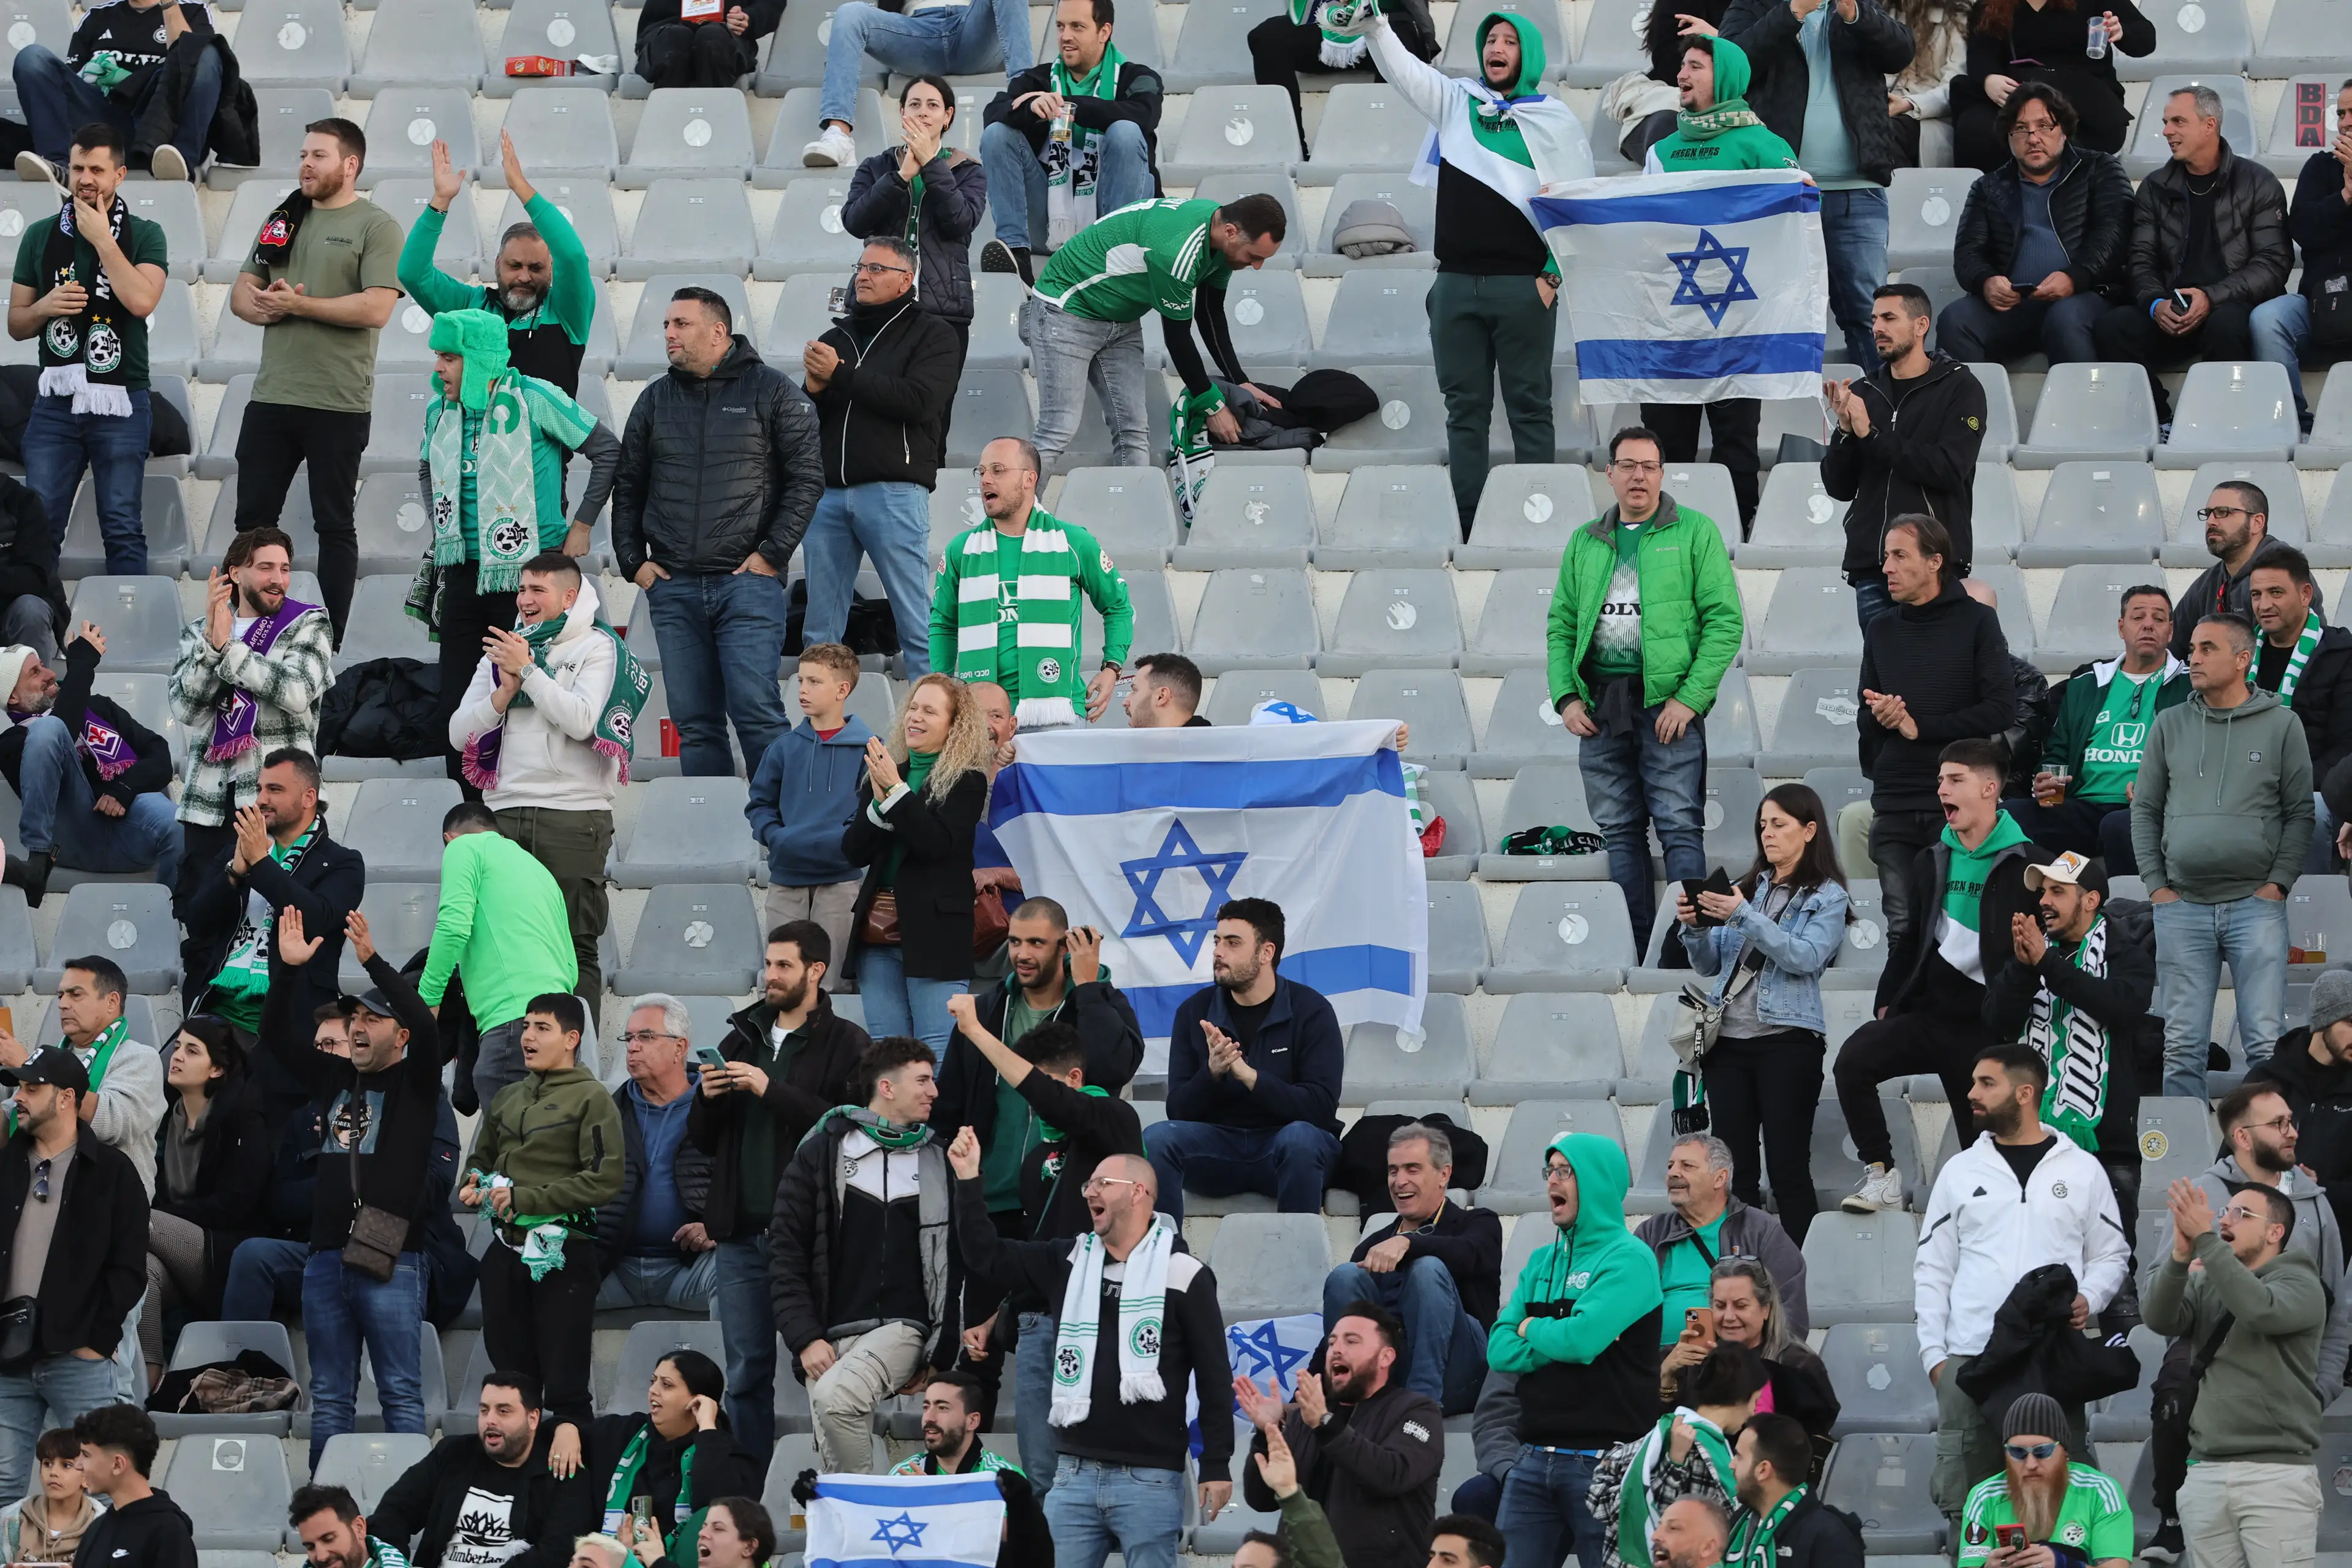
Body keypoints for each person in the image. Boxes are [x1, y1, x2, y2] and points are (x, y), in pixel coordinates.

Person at [945, 1134, 1235, 1568]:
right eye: (1088, 1185)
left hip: (1150, 1477)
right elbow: (985, 1256)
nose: (1089, 1192)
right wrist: (969, 1180)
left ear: (1138, 1193)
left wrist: (1216, 1464)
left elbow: (1214, 1378)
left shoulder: (1185, 1274)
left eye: (1103, 1183)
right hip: (1073, 1475)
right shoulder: (1068, 1261)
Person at [1367, 6, 1582, 537]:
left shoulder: (1556, 120)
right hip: (1456, 286)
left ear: (1528, 54)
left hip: (1524, 290)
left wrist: (1550, 279)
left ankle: (1538, 525)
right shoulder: (1457, 102)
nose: (1496, 49)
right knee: (1464, 414)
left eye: (1509, 41)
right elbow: (1404, 71)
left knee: (1530, 409)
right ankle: (1470, 527)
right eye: (1490, 40)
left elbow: (1577, 206)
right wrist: (1376, 27)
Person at [264, 905, 450, 1471]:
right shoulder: (334, 1077)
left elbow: (429, 1026)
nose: (359, 1027)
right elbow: (274, 1037)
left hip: (393, 1257)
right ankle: (324, 1505)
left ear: (401, 1035)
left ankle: (405, 1506)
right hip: (325, 1257)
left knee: (400, 1392)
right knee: (330, 1399)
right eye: (355, 1020)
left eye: (373, 1019)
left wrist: (372, 961)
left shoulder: (417, 1083)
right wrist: (288, 970)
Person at [1915, 1046, 2130, 1518]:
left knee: (2057, 1505)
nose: (1972, 1093)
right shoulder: (1959, 1171)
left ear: (2025, 1093)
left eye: (1986, 1083)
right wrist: (1935, 1357)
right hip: (1971, 1356)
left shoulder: (2082, 1169)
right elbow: (1932, 1266)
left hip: (2051, 1356)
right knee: (1968, 1508)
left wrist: (2090, 1296)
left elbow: (2112, 1253)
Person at [1547, 425, 1743, 944]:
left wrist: (1689, 699)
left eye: (1650, 467)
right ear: (1609, 473)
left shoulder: (1696, 531)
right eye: (1629, 466)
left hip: (1668, 705)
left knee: (1679, 826)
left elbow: (1725, 623)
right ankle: (1636, 948)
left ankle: (1689, 951)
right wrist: (1566, 698)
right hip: (1600, 704)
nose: (1639, 476)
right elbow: (1561, 625)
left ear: (1662, 474)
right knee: (1620, 831)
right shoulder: (1584, 540)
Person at [612, 286, 818, 778]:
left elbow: (807, 480)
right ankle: (711, 818)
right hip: (673, 588)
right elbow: (629, 484)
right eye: (666, 324)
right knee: (695, 723)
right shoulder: (654, 399)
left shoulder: (773, 390)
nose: (669, 333)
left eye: (681, 324)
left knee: (757, 713)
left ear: (718, 331)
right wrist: (633, 562)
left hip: (746, 585)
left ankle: (780, 822)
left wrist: (772, 554)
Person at [939, 1002, 1144, 1490]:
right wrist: (1001, 1315)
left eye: (1039, 1086)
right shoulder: (1037, 1159)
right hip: (1037, 1324)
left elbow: (1056, 1103)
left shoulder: (1115, 1123)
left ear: (1074, 1079)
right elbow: (1038, 1248)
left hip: (1101, 1316)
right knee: (1041, 1475)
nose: (1032, 1103)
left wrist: (976, 1033)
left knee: (1106, 1469)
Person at [422, 315, 627, 799]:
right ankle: (471, 817)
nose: (438, 369)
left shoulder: (536, 396)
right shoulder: (438, 410)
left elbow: (608, 450)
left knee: (525, 701)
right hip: (462, 575)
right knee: (460, 702)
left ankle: (522, 809)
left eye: (449, 358)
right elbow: (427, 470)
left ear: (478, 361)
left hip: (530, 579)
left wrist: (582, 524)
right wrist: (444, 529)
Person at [686, 921, 869, 1459]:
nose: (771, 975)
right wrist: (709, 1098)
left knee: (827, 1372)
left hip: (814, 1238)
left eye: (784, 965)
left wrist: (771, 1090)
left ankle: (829, 1484)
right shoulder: (740, 1037)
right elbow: (701, 1140)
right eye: (768, 964)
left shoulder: (848, 1042)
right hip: (741, 1237)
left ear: (816, 970)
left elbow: (850, 1129)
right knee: (745, 1374)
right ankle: (748, 1489)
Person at [1835, 741, 2041, 1211]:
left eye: (1955, 779)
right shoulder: (1931, 857)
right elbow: (1912, 935)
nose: (1942, 789)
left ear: (1989, 788)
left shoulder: (2031, 863)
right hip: (1929, 1015)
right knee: (1853, 1061)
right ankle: (1881, 1175)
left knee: (1987, 1160)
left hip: (1986, 1032)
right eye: (1941, 780)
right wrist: (1889, 997)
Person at [226, 118, 403, 642]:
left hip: (338, 403)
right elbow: (240, 296)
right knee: (251, 525)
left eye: (318, 156)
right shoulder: (283, 217)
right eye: (303, 155)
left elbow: (376, 308)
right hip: (272, 397)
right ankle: (244, 634)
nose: (306, 164)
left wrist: (298, 305)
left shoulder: (377, 226)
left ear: (350, 165)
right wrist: (266, 307)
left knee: (333, 524)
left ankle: (329, 643)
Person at [447, 552, 642, 998]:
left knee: (575, 946)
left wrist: (530, 672)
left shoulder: (598, 646)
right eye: (522, 589)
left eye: (538, 590)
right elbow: (459, 734)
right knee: (504, 947)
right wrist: (502, 695)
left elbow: (584, 722)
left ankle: (578, 1044)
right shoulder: (503, 650)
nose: (525, 599)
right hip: (503, 815)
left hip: (572, 817)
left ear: (569, 597)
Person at [2132, 612, 2310, 1097]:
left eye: (2207, 648)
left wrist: (2278, 885)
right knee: (2181, 1047)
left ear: (2242, 659)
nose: (2193, 658)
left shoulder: (2282, 724)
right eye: (2192, 648)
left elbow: (2300, 813)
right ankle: (2184, 1147)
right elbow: (2145, 810)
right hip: (2181, 906)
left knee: (2266, 1045)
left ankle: (2269, 1144)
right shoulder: (2169, 723)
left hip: (2257, 907)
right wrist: (2157, 887)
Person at [769, 1035, 957, 1474]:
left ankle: (874, 1501)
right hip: (828, 1337)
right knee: (834, 1466)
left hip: (903, 1328)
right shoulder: (821, 1152)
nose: (934, 1092)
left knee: (835, 1399)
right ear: (886, 1088)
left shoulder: (941, 1160)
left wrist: (939, 1354)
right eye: (923, 1081)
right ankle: (862, 1515)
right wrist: (805, 1338)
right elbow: (785, 1253)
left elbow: (960, 1264)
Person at [1673, 785, 1850, 1243]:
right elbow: (1710, 964)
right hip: (1728, 1045)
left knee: (1788, 1169)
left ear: (1809, 830)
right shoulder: (1747, 887)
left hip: (1788, 1043)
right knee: (1736, 1174)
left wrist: (1743, 915)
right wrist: (1695, 928)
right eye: (1762, 825)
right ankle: (1741, 1268)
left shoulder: (1828, 896)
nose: (1766, 833)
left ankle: (1797, 1272)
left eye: (1778, 824)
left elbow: (1806, 957)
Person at [1638, 36, 1796, 530]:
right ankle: (1664, 536)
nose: (1682, 75)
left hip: (1737, 322)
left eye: (1696, 67)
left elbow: (1792, 227)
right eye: (1682, 66)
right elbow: (1640, 230)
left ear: (1724, 77)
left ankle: (1738, 530)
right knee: (1666, 445)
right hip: (1672, 324)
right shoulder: (1662, 151)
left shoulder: (1764, 147)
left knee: (1735, 442)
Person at [1490, 1132, 1665, 1568]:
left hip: (1608, 1462)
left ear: (1596, 1181)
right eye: (1550, 1171)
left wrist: (1531, 1328)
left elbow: (1581, 1341)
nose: (1552, 1181)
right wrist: (1563, 1339)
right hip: (1533, 1458)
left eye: (1565, 1171)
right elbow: (1499, 1349)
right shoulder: (1540, 1263)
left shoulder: (1630, 1260)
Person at [1020, 197, 1287, 477]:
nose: (1258, 266)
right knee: (1058, 429)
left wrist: (1240, 381)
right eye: (1254, 256)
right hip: (1065, 310)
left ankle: (1133, 505)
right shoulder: (1177, 251)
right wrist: (1213, 406)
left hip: (1120, 319)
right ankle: (1016, 506)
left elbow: (1210, 314)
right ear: (1231, 232)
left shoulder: (1220, 236)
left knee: (1133, 430)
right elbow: (1178, 340)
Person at [1714, 0, 1914, 366]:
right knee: (1774, 314)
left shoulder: (1859, 5)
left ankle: (1884, 403)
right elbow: (1730, 66)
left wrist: (1856, 14)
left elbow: (1900, 52)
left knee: (1872, 317)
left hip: (1858, 190)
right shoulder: (1754, 4)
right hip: (1780, 193)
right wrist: (1793, 12)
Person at [6, 123, 165, 577]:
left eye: (97, 169)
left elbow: (141, 301)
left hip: (122, 401)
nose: (85, 179)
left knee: (122, 527)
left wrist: (102, 240)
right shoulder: (40, 234)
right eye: (78, 168)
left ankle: (130, 621)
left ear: (120, 175)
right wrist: (44, 307)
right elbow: (16, 324)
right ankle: (36, 619)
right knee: (39, 528)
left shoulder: (146, 234)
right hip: (55, 403)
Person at [462, 992, 622, 1436]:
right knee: (512, 1389)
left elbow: (605, 1180)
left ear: (572, 1039)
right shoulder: (508, 1097)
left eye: (542, 1028)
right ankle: (521, 1473)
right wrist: (474, 1182)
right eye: (527, 1026)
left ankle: (574, 1473)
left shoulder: (593, 1098)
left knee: (567, 1392)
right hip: (503, 1254)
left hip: (563, 1255)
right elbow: (481, 1157)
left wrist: (527, 1199)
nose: (527, 1037)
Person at [2143, 1178, 2325, 1568]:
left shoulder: (2301, 1281)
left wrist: (2206, 1242)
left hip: (2275, 1474)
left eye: (2241, 1214)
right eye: (2225, 1212)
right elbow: (2158, 1318)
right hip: (2205, 1470)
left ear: (2275, 1232)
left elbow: (2260, 1309)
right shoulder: (2208, 1279)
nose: (2224, 1220)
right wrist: (2179, 1257)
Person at [799, 236, 961, 676]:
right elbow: (809, 421)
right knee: (820, 631)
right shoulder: (836, 337)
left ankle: (939, 716)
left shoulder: (934, 333)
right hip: (828, 494)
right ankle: (820, 716)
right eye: (861, 267)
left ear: (906, 280)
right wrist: (813, 391)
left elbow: (920, 401)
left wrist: (841, 375)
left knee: (917, 624)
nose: (863, 276)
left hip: (894, 491)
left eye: (876, 269)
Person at [1854, 515, 2016, 951]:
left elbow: (2001, 709)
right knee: (1902, 929)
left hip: (1958, 802)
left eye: (1899, 556)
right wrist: (1884, 717)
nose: (1886, 567)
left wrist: (1919, 727)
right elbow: (1864, 718)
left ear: (1934, 562)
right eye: (1885, 556)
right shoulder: (1881, 629)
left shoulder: (1978, 621)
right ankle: (1899, 998)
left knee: (1956, 932)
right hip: (1895, 801)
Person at [2090, 85, 2290, 429]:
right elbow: (2140, 259)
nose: (2167, 131)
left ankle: (2216, 424)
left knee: (2227, 326)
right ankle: (2156, 421)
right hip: (2173, 307)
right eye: (2166, 122)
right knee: (2113, 327)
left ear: (2209, 125)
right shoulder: (2155, 187)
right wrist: (2156, 303)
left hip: (2229, 304)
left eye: (2178, 122)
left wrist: (2211, 297)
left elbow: (2273, 264)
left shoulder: (2258, 182)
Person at [165, 529, 334, 921]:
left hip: (279, 799)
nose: (278, 579)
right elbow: (187, 710)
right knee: (204, 922)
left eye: (285, 569)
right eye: (265, 568)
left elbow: (295, 691)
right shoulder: (199, 630)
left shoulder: (308, 624)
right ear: (236, 573)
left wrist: (230, 649)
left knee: (280, 919)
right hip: (210, 801)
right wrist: (211, 647)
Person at [0, 1049, 145, 1503]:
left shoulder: (114, 1172)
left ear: (66, 1098)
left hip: (79, 1357)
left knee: (99, 1488)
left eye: (31, 1088)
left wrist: (97, 1341)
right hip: (6, 1358)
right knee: (2, 1488)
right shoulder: (4, 1165)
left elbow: (129, 1268)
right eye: (18, 1088)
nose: (18, 1098)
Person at [1981, 851, 2150, 1234]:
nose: (2044, 901)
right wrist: (2026, 970)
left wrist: (2047, 965)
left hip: (2106, 1148)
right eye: (2043, 892)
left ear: (2090, 900)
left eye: (2058, 892)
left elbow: (2120, 1006)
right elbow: (1996, 1022)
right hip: (2028, 1141)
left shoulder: (2126, 953)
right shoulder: (2030, 955)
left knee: (2112, 1261)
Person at [1148, 899, 1343, 1223]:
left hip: (1289, 1150)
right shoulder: (1194, 1013)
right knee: (1157, 1139)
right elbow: (1178, 1111)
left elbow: (1320, 1108)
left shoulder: (1312, 1011)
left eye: (1233, 943)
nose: (1218, 952)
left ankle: (1297, 1250)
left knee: (1301, 1138)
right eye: (1217, 941)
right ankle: (1166, 1251)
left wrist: (1252, 1078)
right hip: (1218, 1149)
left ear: (1266, 952)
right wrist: (1212, 1074)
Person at [932, 437, 1131, 727]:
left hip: (1057, 715)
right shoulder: (960, 550)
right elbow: (943, 623)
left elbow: (1118, 606)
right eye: (982, 471)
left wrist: (1112, 668)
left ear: (1029, 479)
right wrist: (943, 685)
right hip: (980, 718)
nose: (985, 479)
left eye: (998, 470)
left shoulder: (1073, 542)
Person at [1823, 285, 1985, 632]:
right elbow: (1838, 487)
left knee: (1931, 665)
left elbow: (1948, 468)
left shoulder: (1959, 387)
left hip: (1931, 564)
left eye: (1889, 318)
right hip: (1874, 566)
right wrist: (1846, 431)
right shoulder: (1864, 392)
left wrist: (1872, 436)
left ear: (1921, 325)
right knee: (1881, 667)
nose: (1877, 328)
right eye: (1874, 319)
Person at [842, 674, 989, 1050]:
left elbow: (935, 845)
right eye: (913, 708)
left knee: (937, 1052)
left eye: (929, 711)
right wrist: (879, 806)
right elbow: (854, 852)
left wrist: (895, 794)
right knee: (889, 1054)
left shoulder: (968, 781)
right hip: (877, 933)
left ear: (954, 726)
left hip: (936, 934)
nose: (915, 717)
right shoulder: (888, 771)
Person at [1237, 1304, 1446, 1568]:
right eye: (1332, 1342)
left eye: (1352, 1341)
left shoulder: (1417, 1411)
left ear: (1386, 1357)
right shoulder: (1306, 1416)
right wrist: (1268, 1432)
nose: (1336, 1349)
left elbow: (1392, 1475)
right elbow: (1262, 1500)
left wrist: (1326, 1424)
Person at [1939, 85, 2132, 366]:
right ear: (2008, 136)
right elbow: (1968, 251)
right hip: (2016, 304)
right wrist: (1986, 281)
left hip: (2088, 295)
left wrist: (2075, 277)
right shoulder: (1988, 187)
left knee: (2065, 317)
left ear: (2063, 130)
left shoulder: (2100, 169)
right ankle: (1973, 398)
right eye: (2021, 129)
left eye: (2044, 126)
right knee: (1955, 319)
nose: (2033, 138)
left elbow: (2115, 233)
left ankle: (2084, 397)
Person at [181, 745, 361, 1041]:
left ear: (309, 798)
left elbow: (315, 920)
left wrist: (260, 865)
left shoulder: (343, 863)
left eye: (275, 790)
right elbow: (198, 925)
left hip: (287, 1021)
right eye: (260, 789)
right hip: (214, 1013)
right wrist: (235, 873)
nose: (261, 800)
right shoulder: (235, 852)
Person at [1321, 1121, 1501, 1417]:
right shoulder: (1375, 1245)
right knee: (1345, 1276)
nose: (1399, 1181)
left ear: (1444, 1174)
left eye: (1412, 1169)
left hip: (1459, 1372)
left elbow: (1469, 1254)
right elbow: (1342, 1327)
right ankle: (1347, 1397)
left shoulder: (1479, 1223)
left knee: (1427, 1269)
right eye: (1393, 1171)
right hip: (1391, 1370)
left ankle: (1422, 1406)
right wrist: (1307, 1392)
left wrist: (1408, 1243)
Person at [976, 0, 1159, 286]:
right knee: (996, 134)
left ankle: (1119, 255)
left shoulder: (1138, 77)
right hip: (1049, 219)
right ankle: (1016, 256)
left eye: (1077, 27)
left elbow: (1144, 115)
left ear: (1104, 31)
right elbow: (993, 112)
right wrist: (1032, 108)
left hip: (1109, 209)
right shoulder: (1039, 79)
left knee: (1126, 131)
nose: (1065, 36)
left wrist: (1067, 105)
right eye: (1061, 26)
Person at [2000, 584, 2185, 865]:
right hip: (2083, 805)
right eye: (2138, 617)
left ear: (2170, 631)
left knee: (2118, 826)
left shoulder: (2189, 686)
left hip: (2148, 807)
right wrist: (2045, 782)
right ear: (2121, 628)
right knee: (2010, 816)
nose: (2148, 625)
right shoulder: (2086, 684)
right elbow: (2057, 753)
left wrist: (2160, 791)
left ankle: (2129, 898)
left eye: (2158, 619)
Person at [402, 134, 595, 398]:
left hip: (546, 428)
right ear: (497, 264)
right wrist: (440, 201)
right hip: (476, 427)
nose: (524, 277)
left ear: (551, 269)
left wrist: (520, 186)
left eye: (536, 268)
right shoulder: (471, 306)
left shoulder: (567, 312)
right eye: (515, 266)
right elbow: (412, 272)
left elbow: (573, 257)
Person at [419, 801, 579, 1114]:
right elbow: (571, 966)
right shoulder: (538, 869)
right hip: (560, 1024)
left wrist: (428, 999)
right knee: (552, 1135)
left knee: (512, 1138)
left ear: (449, 838)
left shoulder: (463, 847)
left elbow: (453, 927)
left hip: (513, 1021)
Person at [2195, 1082, 2352, 1396]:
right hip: (2215, 1400)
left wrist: (2322, 1390)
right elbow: (2167, 1305)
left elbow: (2334, 1311)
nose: (2292, 1133)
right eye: (2277, 1124)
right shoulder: (2201, 1198)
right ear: (2243, 1137)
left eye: (2290, 1121)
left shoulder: (2314, 1201)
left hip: (2295, 1404)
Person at [840, 77, 987, 410]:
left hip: (944, 308)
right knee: (869, 402)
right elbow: (854, 222)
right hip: (878, 304)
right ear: (902, 112)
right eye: (915, 104)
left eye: (933, 105)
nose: (923, 112)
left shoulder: (968, 170)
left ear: (948, 116)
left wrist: (932, 166)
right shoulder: (876, 166)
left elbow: (961, 222)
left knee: (934, 412)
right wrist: (901, 176)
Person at [0, 630, 179, 901]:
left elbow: (160, 755)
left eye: (44, 666)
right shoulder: (11, 743)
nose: (50, 674)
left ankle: (172, 916)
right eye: (35, 673)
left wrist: (123, 789)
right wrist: (81, 665)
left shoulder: (98, 707)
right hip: (70, 840)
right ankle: (38, 861)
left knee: (178, 823)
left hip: (130, 831)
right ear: (12, 697)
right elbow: (62, 728)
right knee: (47, 730)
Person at [138, 1016, 268, 1388]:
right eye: (178, 1047)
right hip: (171, 1250)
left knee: (136, 1220)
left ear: (217, 1070)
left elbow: (236, 1204)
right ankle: (148, 1387)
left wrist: (164, 1216)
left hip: (222, 1253)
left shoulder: (243, 1117)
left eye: (192, 1051)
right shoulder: (165, 1116)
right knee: (142, 1269)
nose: (177, 1056)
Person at [545, 1351, 762, 1561]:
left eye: (666, 1385)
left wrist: (706, 1426)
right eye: (653, 1381)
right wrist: (564, 1428)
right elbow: (545, 1435)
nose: (652, 1391)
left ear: (698, 1401)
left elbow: (716, 1507)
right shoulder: (626, 1432)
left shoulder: (728, 1456)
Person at [372, 1370, 594, 1568]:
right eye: (484, 1410)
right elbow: (393, 1513)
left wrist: (565, 1427)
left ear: (533, 1418)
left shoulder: (562, 1469)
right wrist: (394, 1562)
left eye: (503, 1411)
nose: (490, 1420)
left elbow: (557, 1554)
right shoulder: (454, 1454)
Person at [218, 998, 346, 1321]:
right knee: (251, 1254)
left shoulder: (401, 1105)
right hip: (314, 1247)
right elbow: (280, 1201)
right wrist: (333, 1178)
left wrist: (345, 1156)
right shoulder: (304, 1119)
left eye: (331, 1044)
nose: (320, 1054)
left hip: (386, 1248)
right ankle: (240, 1356)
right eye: (317, 1045)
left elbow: (425, 1189)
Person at [748, 644, 875, 967]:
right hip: (786, 879)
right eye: (801, 680)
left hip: (841, 881)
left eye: (814, 682)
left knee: (832, 978)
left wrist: (844, 844)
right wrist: (777, 837)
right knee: (782, 976)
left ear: (842, 690)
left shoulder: (870, 751)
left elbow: (870, 812)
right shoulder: (782, 748)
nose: (803, 689)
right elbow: (760, 805)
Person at [10, 0, 225, 183]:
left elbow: (190, 62)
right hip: (103, 121)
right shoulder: (98, 15)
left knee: (205, 53)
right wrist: (94, 75)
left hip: (158, 127)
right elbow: (69, 87)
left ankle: (181, 163)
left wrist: (168, 4)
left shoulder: (192, 11)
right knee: (32, 58)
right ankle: (61, 167)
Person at [1588, 1346, 1763, 1568]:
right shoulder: (1697, 1445)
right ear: (1743, 1397)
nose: (1753, 1412)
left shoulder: (1667, 1429)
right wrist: (1673, 1464)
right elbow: (1666, 1516)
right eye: (1756, 1401)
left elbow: (1601, 1495)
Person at [0, 955, 162, 1194]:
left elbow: (113, 1123)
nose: (63, 1004)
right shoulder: (51, 1057)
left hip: (110, 1203)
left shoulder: (140, 1058)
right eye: (61, 996)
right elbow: (11, 1118)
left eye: (75, 995)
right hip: (41, 1195)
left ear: (112, 1002)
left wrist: (31, 1069)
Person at [803, 0, 1029, 170]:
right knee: (850, 13)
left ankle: (1026, 106)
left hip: (972, 30)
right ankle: (839, 134)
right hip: (916, 33)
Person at [595, 997, 715, 1316]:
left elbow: (751, 1183)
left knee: (740, 1268)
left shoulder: (719, 1108)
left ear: (680, 1047)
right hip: (612, 1268)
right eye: (629, 1038)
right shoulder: (605, 1111)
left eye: (646, 1037)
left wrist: (717, 1225)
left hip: (692, 1268)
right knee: (536, 1268)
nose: (633, 1047)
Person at [1636, 1136, 1810, 1343]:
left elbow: (1791, 1314)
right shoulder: (1652, 1232)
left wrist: (1746, 1359)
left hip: (1736, 1359)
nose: (1673, 1173)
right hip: (1658, 1361)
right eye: (1670, 1166)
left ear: (1720, 1178)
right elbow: (1624, 1302)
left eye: (1687, 1166)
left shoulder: (1760, 1230)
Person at [2252, 78, 2352, 434]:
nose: (2345, 122)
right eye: (2341, 113)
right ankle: (2293, 423)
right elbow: (2303, 230)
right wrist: (2346, 196)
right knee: (2268, 319)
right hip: (2320, 302)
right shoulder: (2319, 166)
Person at [1660, 1260, 1841, 1457]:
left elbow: (1812, 1443)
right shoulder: (1698, 1356)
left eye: (1741, 1306)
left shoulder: (1797, 1364)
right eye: (1720, 1306)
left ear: (1766, 1309)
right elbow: (1665, 1426)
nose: (1729, 1316)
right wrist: (1667, 1375)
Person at [1948, 0, 2149, 167]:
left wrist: (2121, 32)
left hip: (2081, 98)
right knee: (1975, 127)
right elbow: (1980, 53)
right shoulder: (1990, 4)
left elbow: (2146, 39)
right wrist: (1989, 78)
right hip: (2018, 94)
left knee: (2074, 139)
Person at [886, 1371, 1051, 1566]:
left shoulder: (1002, 1479)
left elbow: (1021, 1545)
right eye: (926, 1407)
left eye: (942, 1408)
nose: (929, 1418)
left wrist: (935, 1504)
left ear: (972, 1421)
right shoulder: (903, 1474)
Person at [2245, 548, 2352, 850]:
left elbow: (2345, 748)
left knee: (2309, 813)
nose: (2264, 605)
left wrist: (2283, 785)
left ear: (2306, 595)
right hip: (2243, 785)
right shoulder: (2239, 654)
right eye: (2256, 595)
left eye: (2276, 592)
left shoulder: (2342, 654)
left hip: (2315, 790)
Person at [1954, 1395, 2130, 1568]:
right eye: (2018, 1453)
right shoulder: (1983, 1497)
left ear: (2065, 1453)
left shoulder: (2100, 1491)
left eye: (2043, 1452)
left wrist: (2065, 1564)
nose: (2031, 1464)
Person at [2247, 967, 2352, 1244]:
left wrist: (2317, 1189)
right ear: (2324, 1021)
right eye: (2351, 1023)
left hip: (2331, 1236)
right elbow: (2231, 1161)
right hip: (2262, 1233)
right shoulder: (2266, 1080)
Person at [1250, 0, 1439, 139]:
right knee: (1268, 37)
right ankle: (1287, 143)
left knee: (1400, 43)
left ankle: (1387, 141)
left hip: (1387, 19)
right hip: (1326, 18)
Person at [1728, 1412, 1861, 1568]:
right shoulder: (1738, 1523)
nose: (1731, 1465)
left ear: (1763, 1470)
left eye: (1739, 1456)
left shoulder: (1830, 1538)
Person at [72, 1409, 190, 1568]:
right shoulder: (97, 1527)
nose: (78, 1465)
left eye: (86, 1455)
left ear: (117, 1464)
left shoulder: (169, 1531)